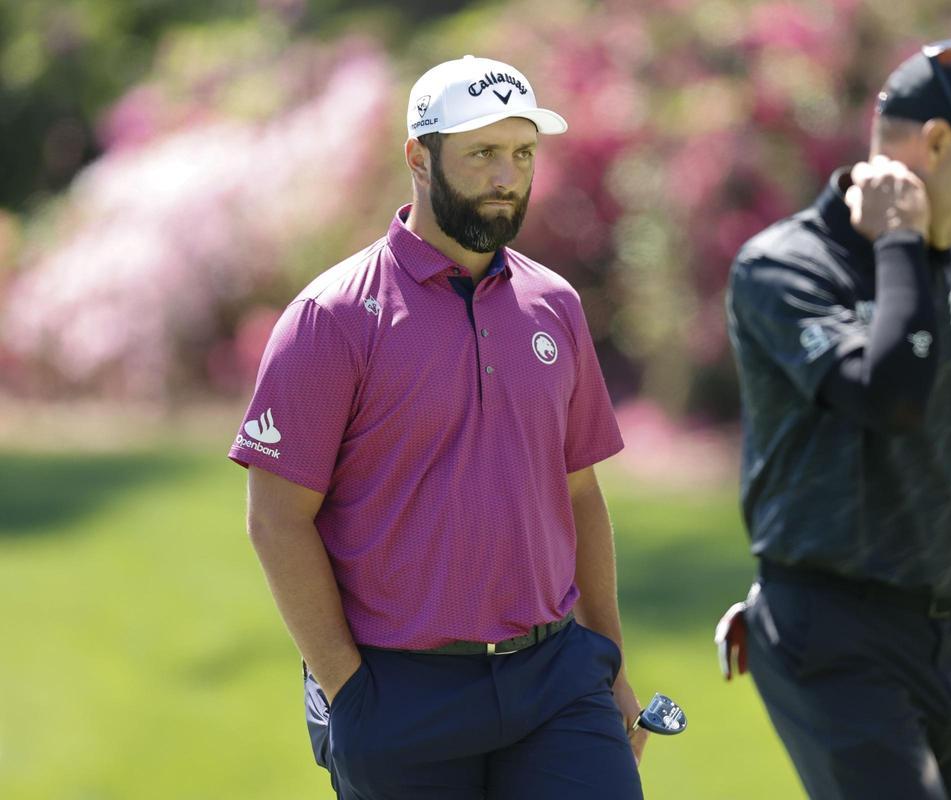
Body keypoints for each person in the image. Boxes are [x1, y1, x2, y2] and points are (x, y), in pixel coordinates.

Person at [230, 55, 645, 800]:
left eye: (521, 154)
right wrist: (347, 688)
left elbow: (580, 494)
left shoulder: (556, 305)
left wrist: (607, 659)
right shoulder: (332, 319)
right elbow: (276, 519)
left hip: (555, 681)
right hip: (400, 695)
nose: (506, 177)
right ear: (418, 158)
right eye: (482, 153)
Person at [721, 41, 951, 799]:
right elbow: (890, 397)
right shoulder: (783, 267)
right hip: (834, 639)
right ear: (939, 143)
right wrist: (897, 241)